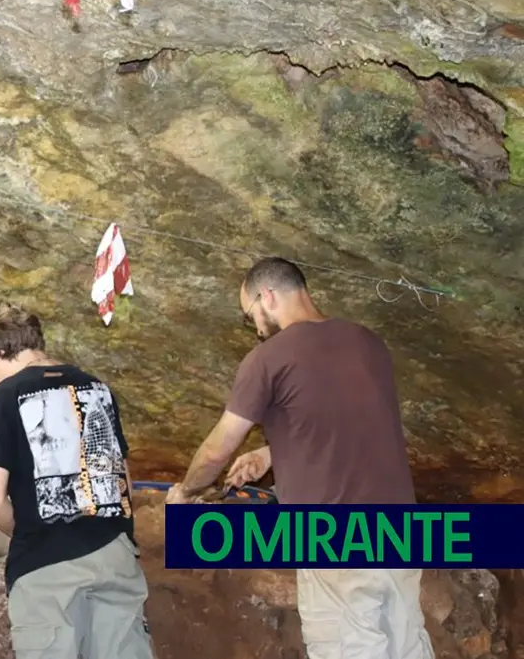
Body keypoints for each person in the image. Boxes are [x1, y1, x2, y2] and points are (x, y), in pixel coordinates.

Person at [165, 257, 432, 659]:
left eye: (250, 313)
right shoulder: (368, 343)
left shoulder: (268, 359)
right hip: (400, 530)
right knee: (406, 643)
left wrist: (186, 492)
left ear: (267, 296)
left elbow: (218, 448)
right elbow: (351, 421)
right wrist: (273, 453)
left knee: (350, 648)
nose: (254, 326)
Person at [0, 299, 154, 659]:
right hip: (114, 552)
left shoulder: (6, 396)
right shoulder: (97, 388)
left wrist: (19, 531)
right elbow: (123, 478)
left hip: (46, 565)